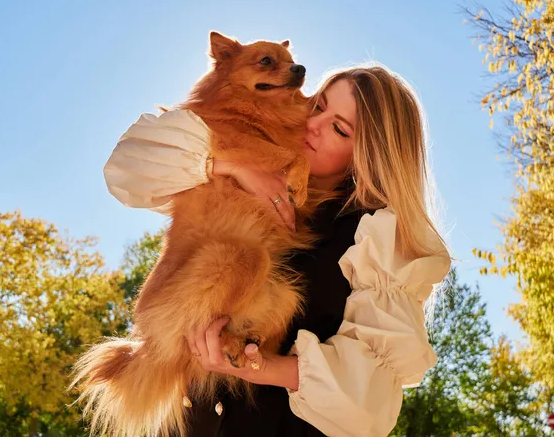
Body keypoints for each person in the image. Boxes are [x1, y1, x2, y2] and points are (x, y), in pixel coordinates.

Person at [102, 64, 451, 437]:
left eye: (339, 128)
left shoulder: (376, 233)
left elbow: (371, 396)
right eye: (318, 107)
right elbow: (126, 166)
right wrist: (231, 166)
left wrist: (251, 365)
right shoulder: (252, 154)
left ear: (368, 154)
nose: (314, 125)